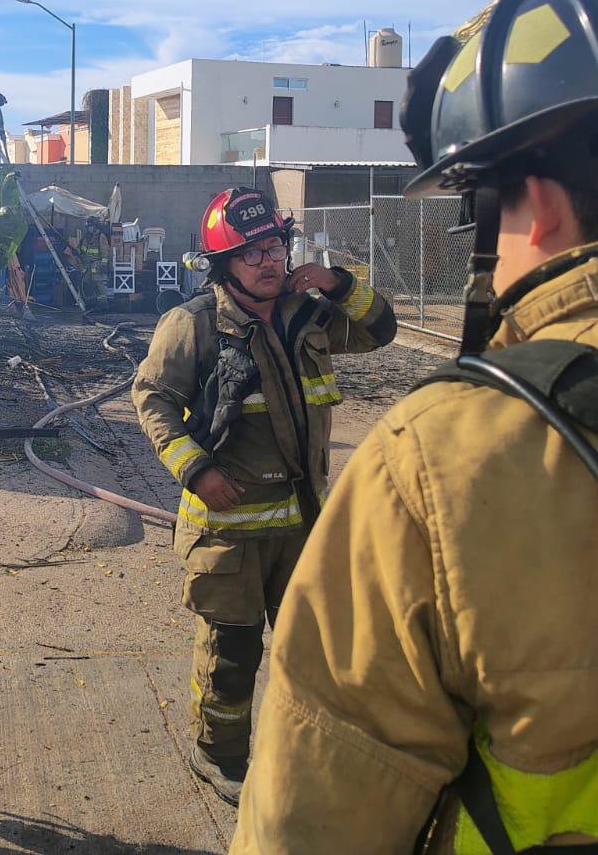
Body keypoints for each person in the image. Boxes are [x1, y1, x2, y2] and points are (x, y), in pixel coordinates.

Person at [232, 0, 598, 853]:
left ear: (533, 204)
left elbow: (310, 817)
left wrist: (338, 286)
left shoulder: (440, 455)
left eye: (475, 207)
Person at [132, 185, 397, 805]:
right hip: (227, 531)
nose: (269, 260)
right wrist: (196, 470)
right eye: (251, 253)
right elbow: (154, 399)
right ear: (224, 265)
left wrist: (338, 284)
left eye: (275, 245)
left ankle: (309, 755)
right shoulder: (193, 325)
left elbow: (381, 329)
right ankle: (217, 755)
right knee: (231, 657)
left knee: (316, 653)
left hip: (303, 527)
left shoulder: (312, 314)